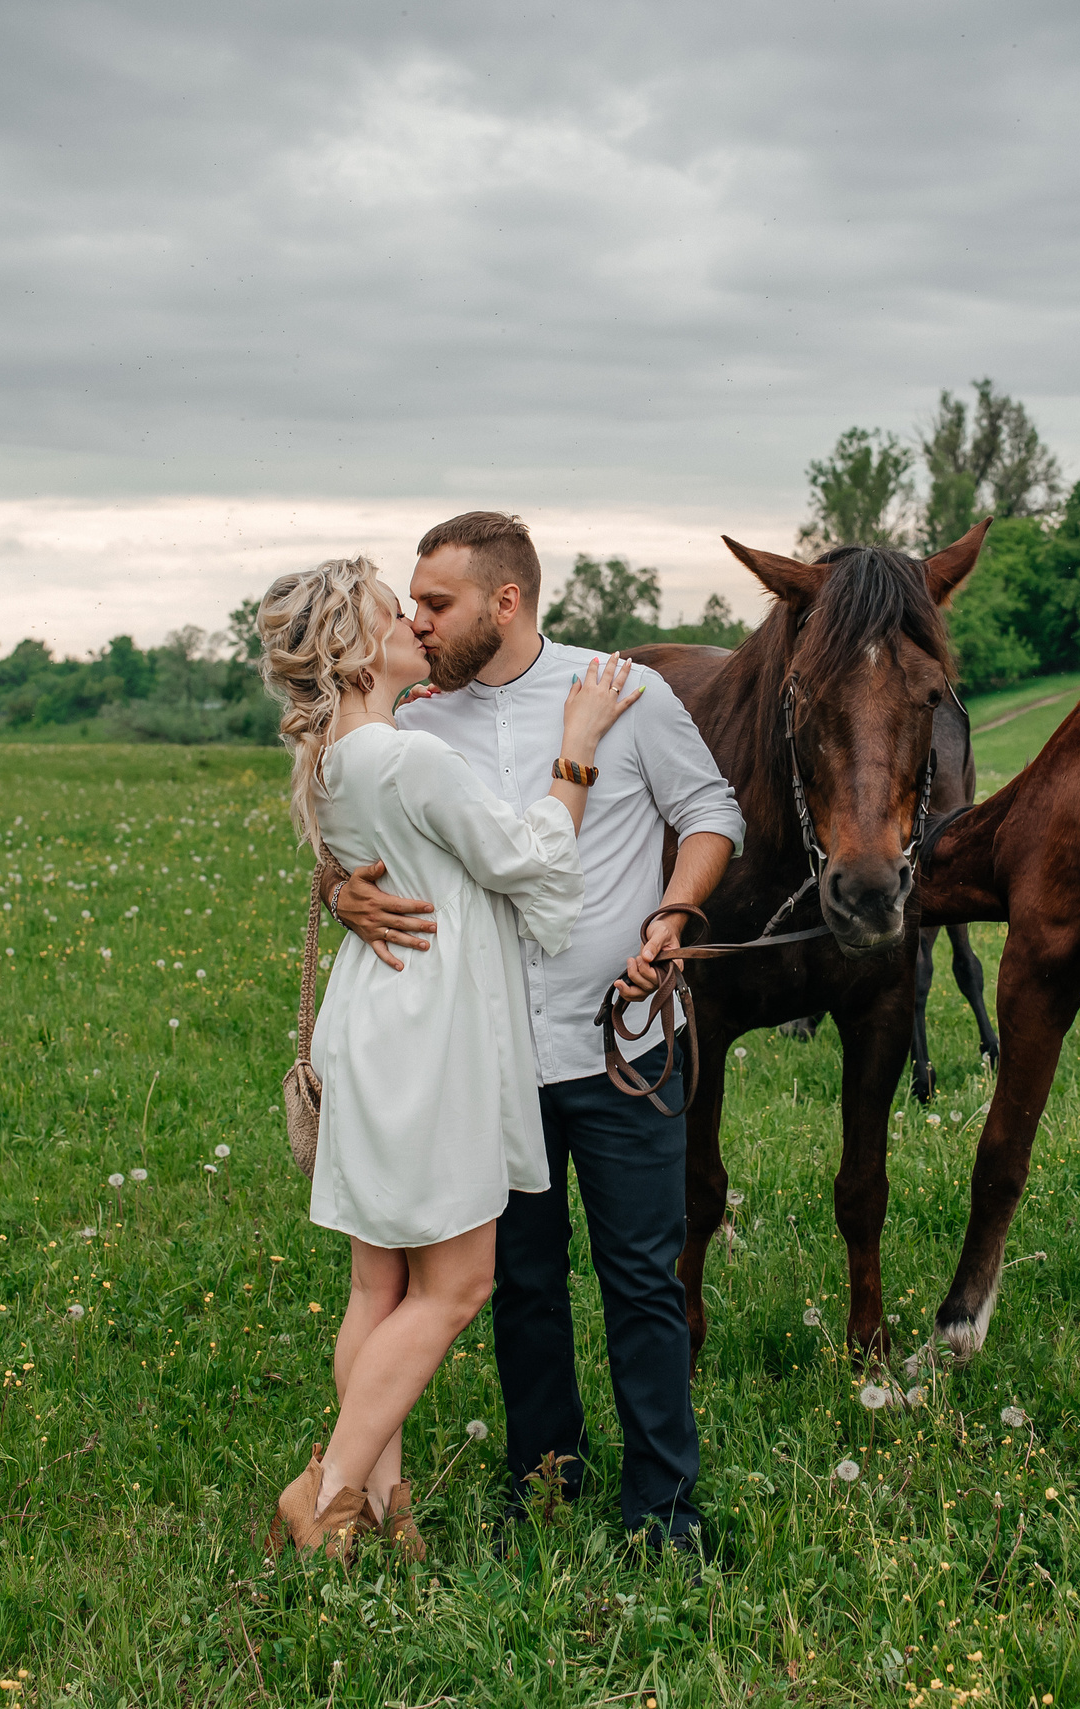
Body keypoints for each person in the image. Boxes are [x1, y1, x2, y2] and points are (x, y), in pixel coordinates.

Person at [327, 511, 743, 1551]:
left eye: (436, 603)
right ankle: (543, 1482)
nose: (418, 622)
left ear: (504, 602)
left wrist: (673, 914)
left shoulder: (621, 693)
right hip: (483, 1057)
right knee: (519, 1281)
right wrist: (342, 891)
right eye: (412, 605)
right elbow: (365, 835)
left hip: (621, 1036)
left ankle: (664, 1508)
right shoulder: (413, 726)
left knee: (644, 1278)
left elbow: (712, 814)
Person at [258, 553, 647, 1560]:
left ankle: (383, 1509)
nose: (417, 628)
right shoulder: (408, 755)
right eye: (397, 615)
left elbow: (370, 860)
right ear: (352, 647)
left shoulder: (340, 756)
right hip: (432, 1030)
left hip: (375, 1015)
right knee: (459, 1283)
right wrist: (574, 749)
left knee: (376, 1286)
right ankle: (328, 1486)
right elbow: (525, 857)